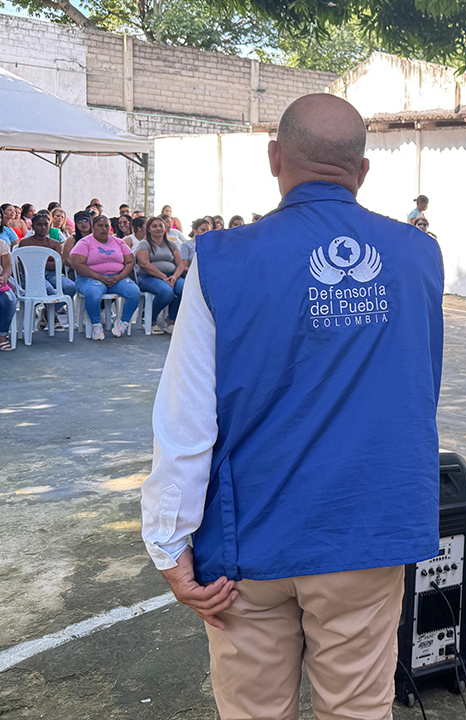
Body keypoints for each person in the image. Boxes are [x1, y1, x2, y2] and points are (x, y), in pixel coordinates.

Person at [140, 93, 443, 720]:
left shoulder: (219, 260)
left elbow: (186, 418)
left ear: (275, 158)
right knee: (358, 709)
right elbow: (416, 385)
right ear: (361, 172)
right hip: (367, 531)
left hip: (246, 543)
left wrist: (168, 545)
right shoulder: (419, 256)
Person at [68, 214, 141, 340]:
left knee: (134, 292)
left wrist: (120, 277)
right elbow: (76, 263)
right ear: (93, 226)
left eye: (107, 226)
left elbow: (130, 261)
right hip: (90, 278)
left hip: (116, 278)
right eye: (100, 226)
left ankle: (123, 323)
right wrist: (99, 277)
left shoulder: (118, 242)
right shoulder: (85, 242)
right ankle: (96, 325)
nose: (104, 229)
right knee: (93, 293)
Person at [136, 216, 185, 334]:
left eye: (160, 226)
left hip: (171, 276)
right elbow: (144, 264)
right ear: (149, 229)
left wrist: (175, 277)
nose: (158, 228)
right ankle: (150, 320)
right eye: (154, 226)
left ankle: (171, 320)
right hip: (149, 277)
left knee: (185, 289)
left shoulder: (171, 244)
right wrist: (163, 277)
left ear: (165, 228)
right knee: (167, 292)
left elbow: (180, 264)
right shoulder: (144, 243)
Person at [19, 212, 77, 300]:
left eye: (46, 224)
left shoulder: (55, 244)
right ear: (33, 227)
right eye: (39, 225)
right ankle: (48, 311)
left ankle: (51, 310)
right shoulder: (25, 243)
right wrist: (47, 263)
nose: (43, 227)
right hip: (31, 276)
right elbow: (26, 265)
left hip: (52, 275)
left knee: (72, 287)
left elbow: (58, 265)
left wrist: (39, 262)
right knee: (48, 289)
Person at [0, 238, 15, 351]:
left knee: (9, 300)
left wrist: (4, 278)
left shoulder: (2, 244)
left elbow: (8, 267)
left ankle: (2, 335)